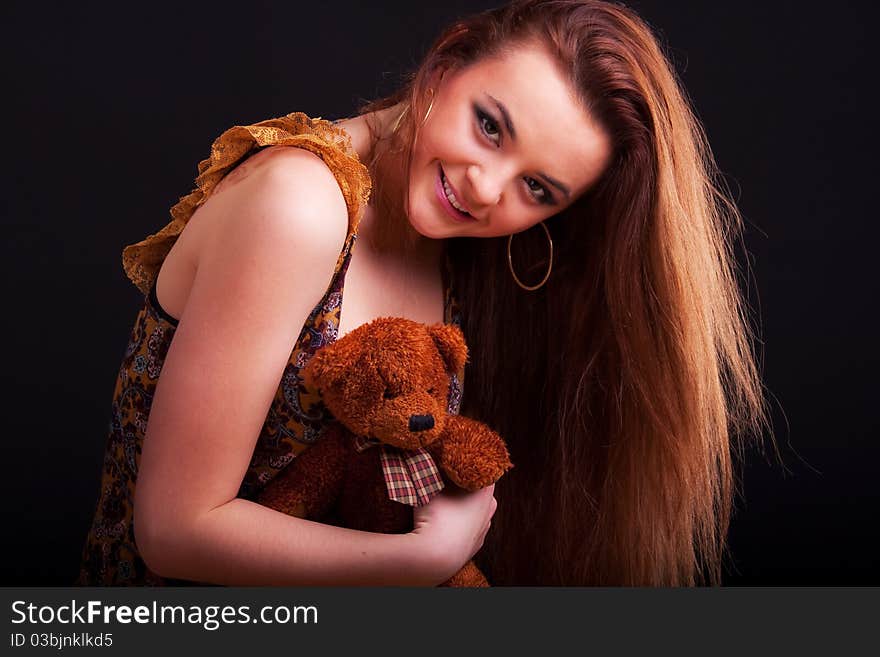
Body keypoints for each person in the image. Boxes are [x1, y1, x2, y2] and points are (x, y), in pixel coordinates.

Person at [78, 0, 767, 586]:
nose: (485, 188)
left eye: (537, 188)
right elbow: (172, 527)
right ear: (445, 67)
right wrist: (423, 557)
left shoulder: (460, 251)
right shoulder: (301, 205)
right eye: (490, 126)